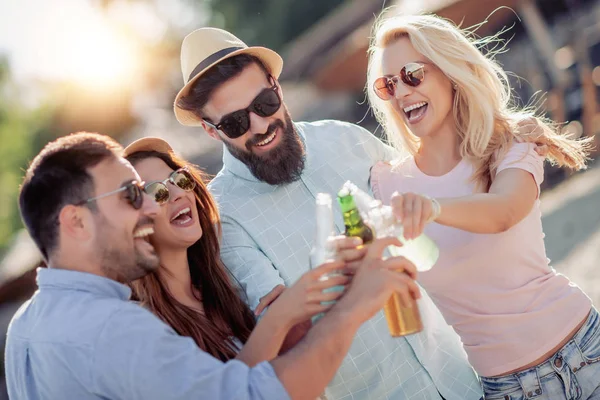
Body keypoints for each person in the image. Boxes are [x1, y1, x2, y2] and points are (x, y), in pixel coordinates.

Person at [173, 27, 485, 400]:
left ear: (277, 87)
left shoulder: (345, 138)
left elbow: (434, 197)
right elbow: (286, 333)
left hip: (461, 375)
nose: (259, 125)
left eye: (264, 104)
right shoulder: (223, 218)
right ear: (211, 130)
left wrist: (501, 139)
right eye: (235, 124)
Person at [5, 132, 422, 400]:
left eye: (177, 182)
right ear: (75, 221)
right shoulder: (116, 328)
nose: (150, 207)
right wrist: (352, 310)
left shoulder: (24, 327)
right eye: (132, 195)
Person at [366, 12, 600, 399]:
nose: (402, 91)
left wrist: (433, 207)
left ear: (449, 72)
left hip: (586, 350)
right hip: (507, 388)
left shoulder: (510, 142)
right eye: (388, 85)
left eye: (412, 74)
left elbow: (504, 210)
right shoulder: (385, 185)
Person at [122, 136, 369, 363]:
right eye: (157, 192)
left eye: (178, 179)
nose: (177, 194)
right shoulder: (144, 326)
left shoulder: (224, 289)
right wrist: (278, 319)